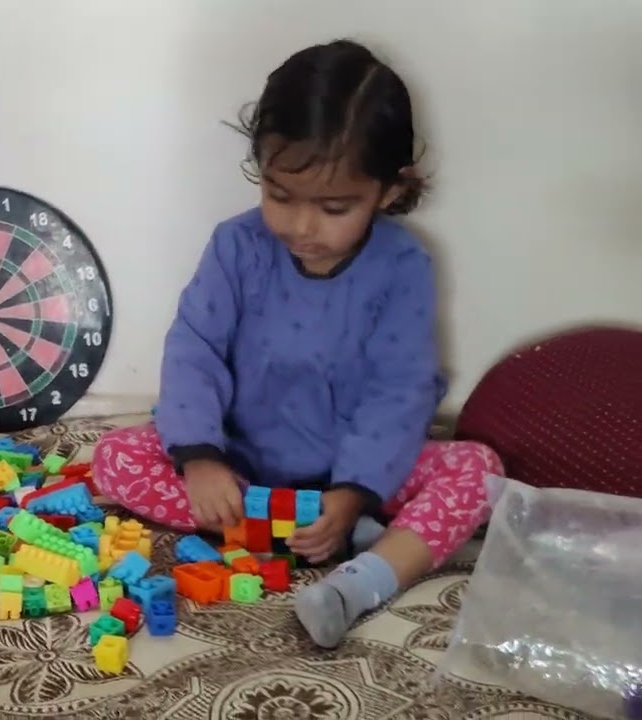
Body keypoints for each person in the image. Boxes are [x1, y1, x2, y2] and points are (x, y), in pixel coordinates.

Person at [92, 39, 502, 649]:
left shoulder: (402, 265)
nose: (301, 227)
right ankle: (294, 529)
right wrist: (202, 459)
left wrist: (356, 489)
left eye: (334, 207)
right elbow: (194, 348)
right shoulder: (236, 246)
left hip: (355, 474)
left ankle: (363, 573)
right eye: (280, 196)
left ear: (388, 191)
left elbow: (401, 387)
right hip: (244, 468)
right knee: (114, 457)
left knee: (479, 471)